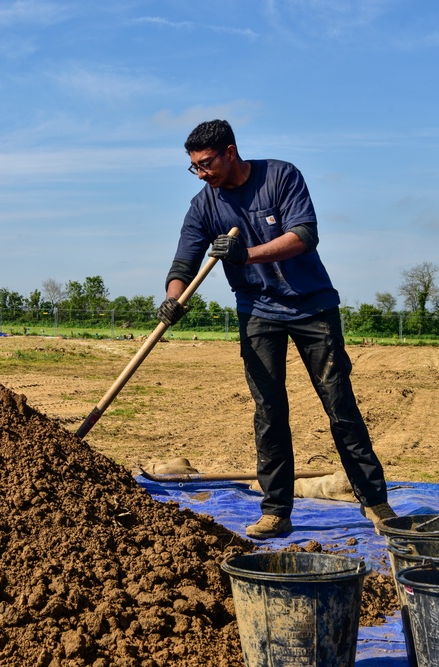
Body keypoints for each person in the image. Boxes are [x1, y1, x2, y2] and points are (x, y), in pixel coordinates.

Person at [157, 119, 395, 539]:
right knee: (268, 411)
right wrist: (174, 297)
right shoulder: (203, 205)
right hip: (257, 311)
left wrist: (246, 255)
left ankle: (376, 504)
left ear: (230, 152)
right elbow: (184, 262)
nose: (201, 173)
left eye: (207, 163)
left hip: (311, 306)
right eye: (193, 166)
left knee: (339, 404)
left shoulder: (281, 176)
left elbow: (304, 235)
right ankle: (276, 511)